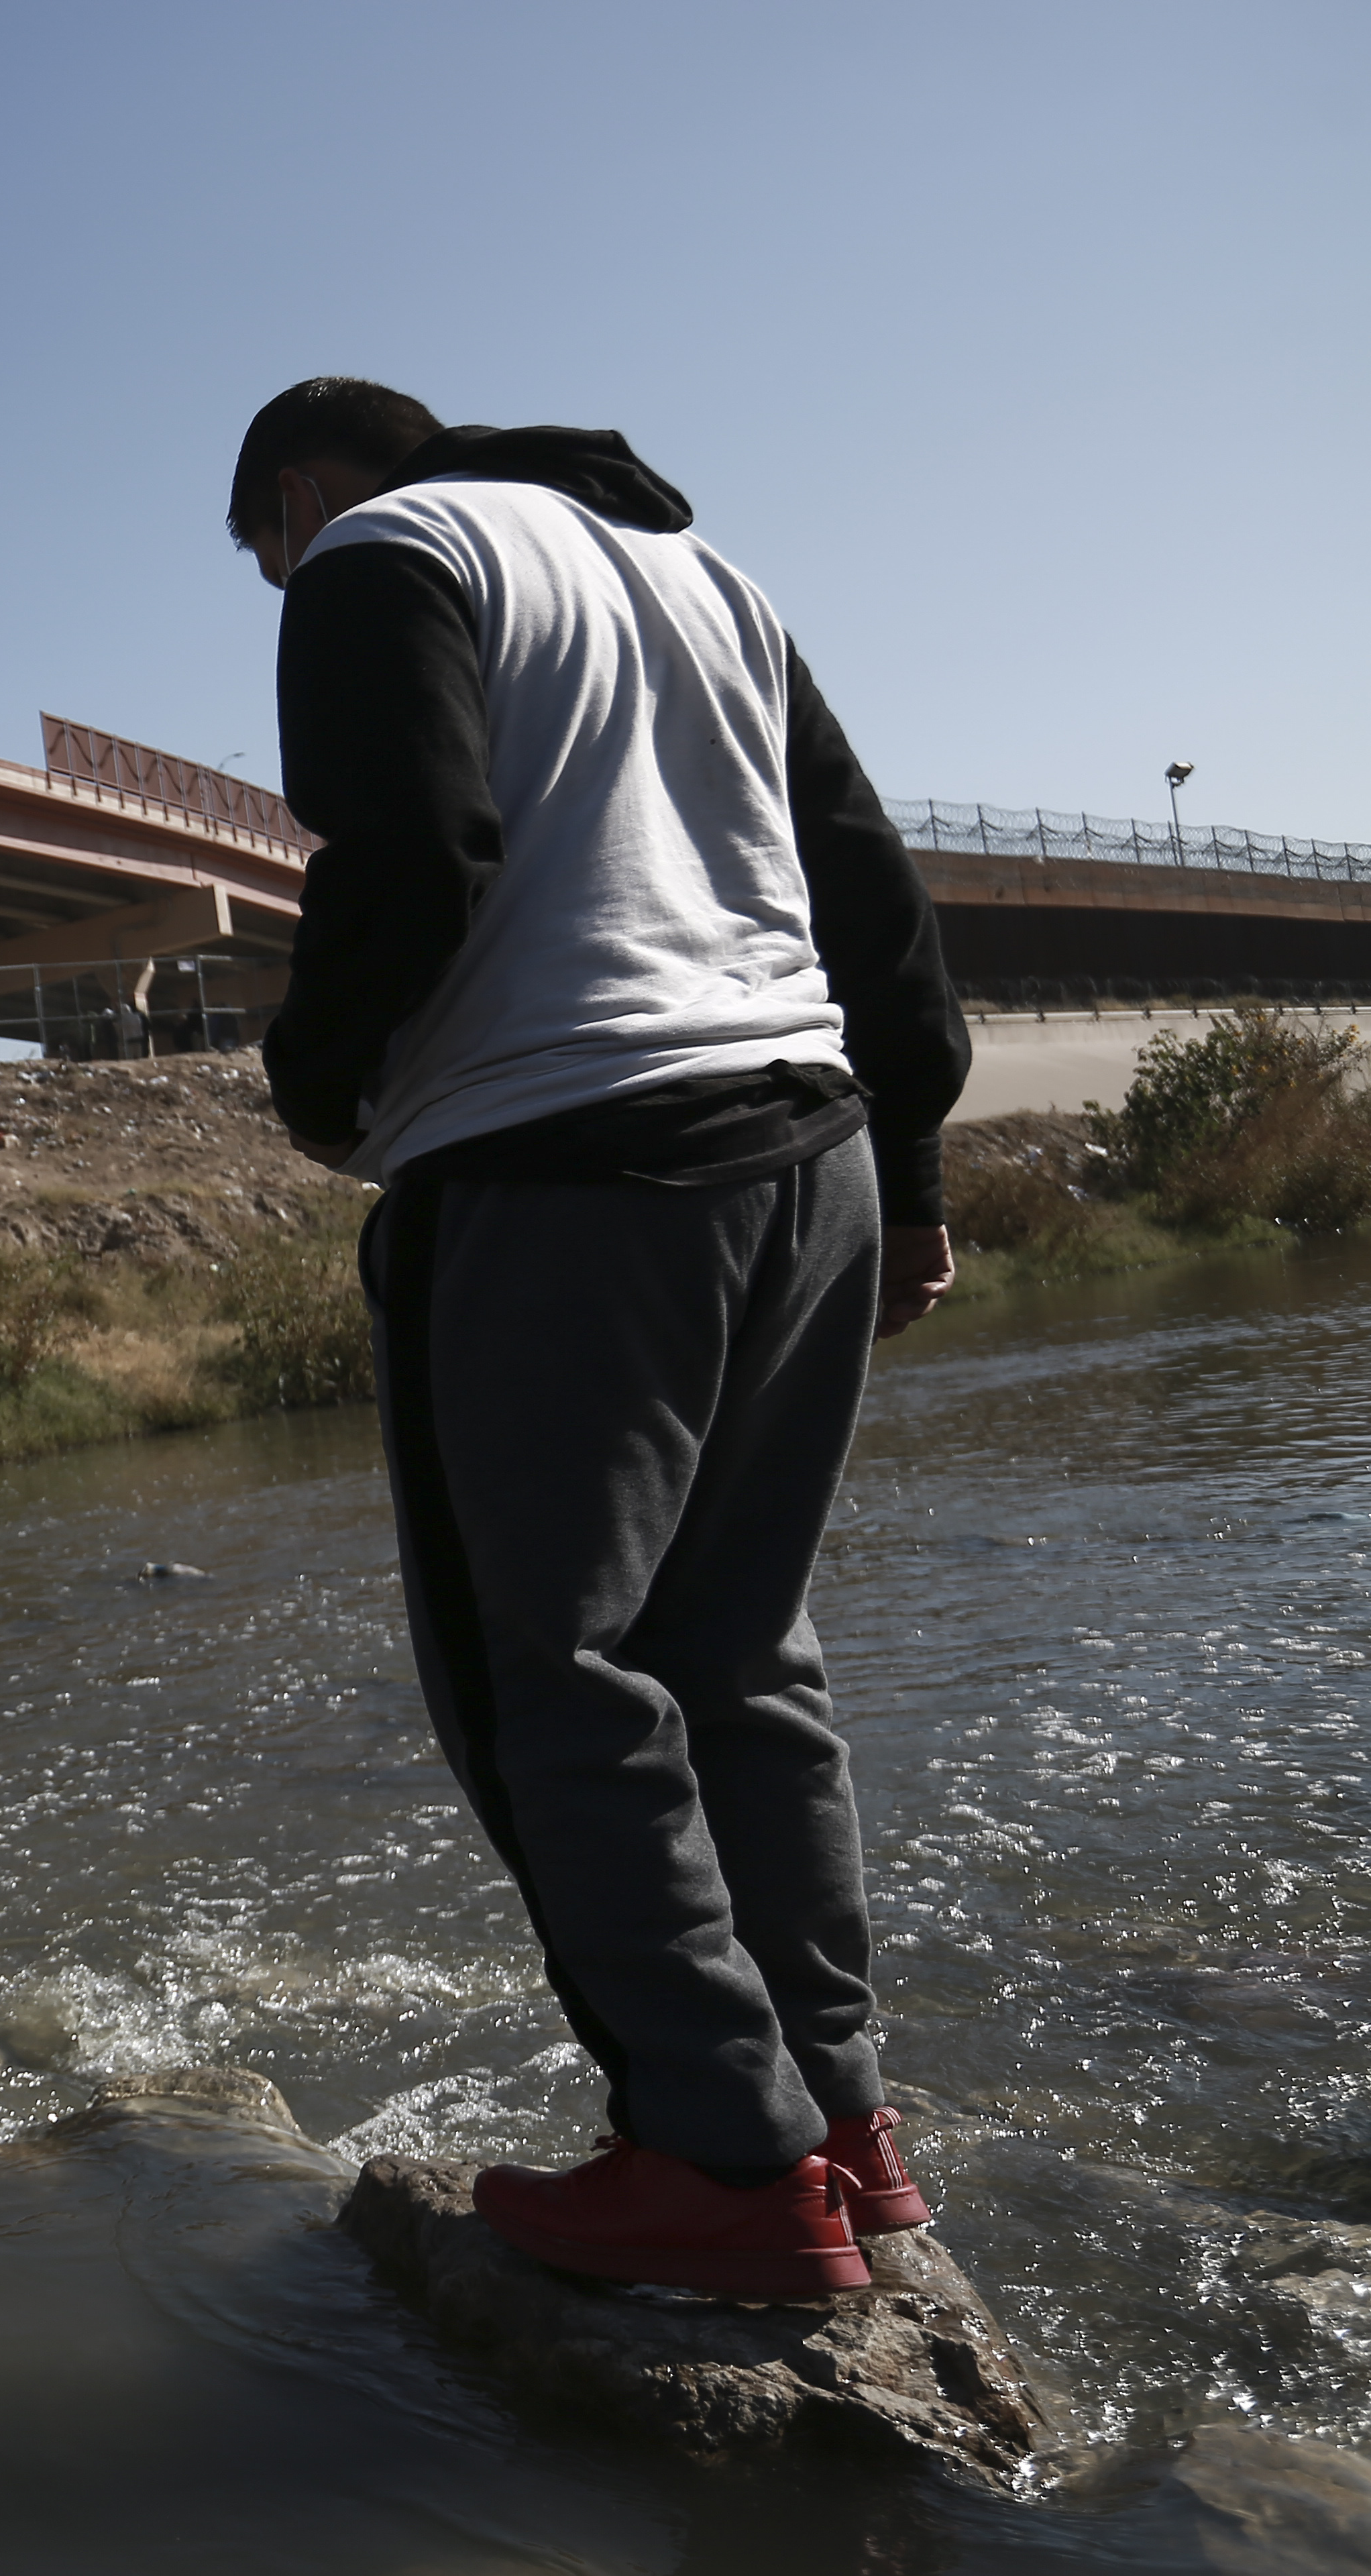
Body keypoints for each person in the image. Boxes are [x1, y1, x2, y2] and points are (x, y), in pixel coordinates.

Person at [231, 378, 969, 2297]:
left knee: (550, 1677)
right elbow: (871, 890)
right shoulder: (699, 566)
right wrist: (924, 1169)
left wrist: (316, 1087)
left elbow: (413, 843)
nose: (277, 581)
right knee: (744, 1660)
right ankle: (847, 2130)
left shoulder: (388, 552)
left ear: (302, 489)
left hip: (571, 1177)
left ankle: (724, 2167)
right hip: (809, 1156)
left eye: (264, 551)